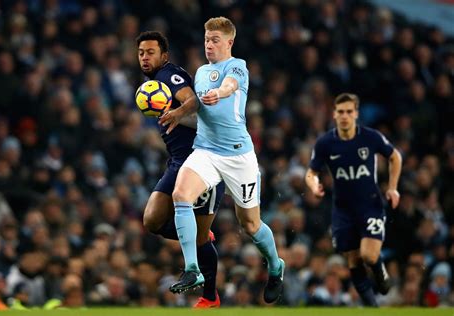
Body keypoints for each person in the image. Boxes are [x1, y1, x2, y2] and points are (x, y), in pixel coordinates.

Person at [159, 17, 284, 304]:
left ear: (229, 42)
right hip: (205, 151)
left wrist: (220, 93)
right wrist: (179, 113)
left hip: (238, 156)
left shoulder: (237, 66)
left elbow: (229, 86)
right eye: (206, 39)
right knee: (181, 194)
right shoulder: (201, 72)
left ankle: (276, 266)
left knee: (250, 225)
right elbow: (198, 104)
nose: (209, 44)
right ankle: (192, 269)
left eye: (215, 39)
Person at [136, 31, 225, 308]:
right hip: (177, 160)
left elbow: (192, 100)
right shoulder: (153, 83)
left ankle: (210, 296)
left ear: (164, 56)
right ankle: (199, 234)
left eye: (151, 52)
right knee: (152, 219)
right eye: (141, 52)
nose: (145, 57)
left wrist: (177, 112)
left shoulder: (169, 76)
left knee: (199, 237)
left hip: (201, 160)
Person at [305, 93, 403, 306]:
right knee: (353, 259)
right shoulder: (325, 143)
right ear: (334, 114)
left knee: (368, 255)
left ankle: (379, 269)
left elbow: (395, 156)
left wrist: (393, 188)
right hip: (342, 210)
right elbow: (311, 172)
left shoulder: (370, 137)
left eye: (349, 112)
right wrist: (314, 185)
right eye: (340, 112)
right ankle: (372, 307)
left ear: (356, 114)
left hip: (370, 205)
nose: (345, 116)